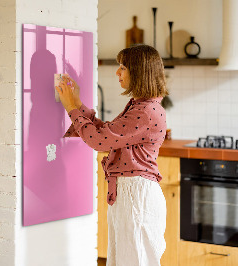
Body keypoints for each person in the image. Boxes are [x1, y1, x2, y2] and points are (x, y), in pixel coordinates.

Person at [55, 44, 168, 266]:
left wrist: (71, 108)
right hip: (130, 194)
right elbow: (107, 133)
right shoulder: (141, 106)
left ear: (139, 71)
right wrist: (77, 104)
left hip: (136, 196)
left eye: (123, 67)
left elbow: (99, 141)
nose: (117, 72)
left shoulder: (145, 111)